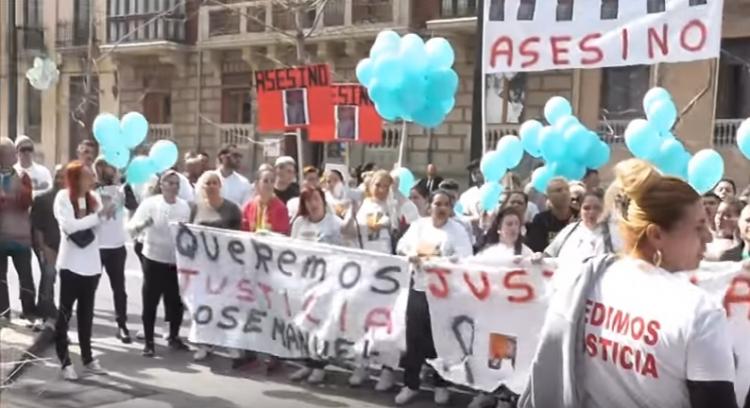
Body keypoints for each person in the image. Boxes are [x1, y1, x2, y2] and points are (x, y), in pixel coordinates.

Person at [519, 158, 736, 408]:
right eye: (698, 227)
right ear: (656, 235)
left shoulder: (589, 278)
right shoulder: (701, 314)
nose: (709, 236)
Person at [395, 189, 473, 406]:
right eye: (437, 204)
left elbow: (466, 258)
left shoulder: (457, 230)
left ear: (451, 208)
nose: (441, 209)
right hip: (419, 289)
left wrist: (442, 261)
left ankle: (441, 384)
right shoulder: (419, 225)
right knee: (414, 339)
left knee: (441, 339)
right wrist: (411, 253)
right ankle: (410, 384)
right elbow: (402, 245)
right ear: (430, 206)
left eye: (445, 205)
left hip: (444, 294)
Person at [127, 171, 192, 357]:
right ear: (161, 185)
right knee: (151, 300)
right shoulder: (150, 204)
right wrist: (145, 224)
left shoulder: (184, 207)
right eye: (170, 183)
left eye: (176, 184)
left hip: (175, 261)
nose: (173, 186)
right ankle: (149, 342)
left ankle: (174, 336)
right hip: (153, 259)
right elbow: (131, 229)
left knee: (175, 301)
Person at [53, 160, 107, 380]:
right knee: (64, 315)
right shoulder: (63, 197)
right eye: (87, 175)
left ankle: (88, 358)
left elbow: (99, 225)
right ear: (76, 178)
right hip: (70, 266)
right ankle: (65, 362)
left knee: (86, 316)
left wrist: (100, 217)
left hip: (91, 266)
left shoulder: (95, 199)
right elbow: (69, 226)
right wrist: (97, 218)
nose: (92, 179)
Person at [349, 170, 399, 390]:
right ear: (370, 186)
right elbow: (351, 233)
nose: (381, 190)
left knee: (388, 323)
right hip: (366, 271)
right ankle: (362, 364)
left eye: (386, 186)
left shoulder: (395, 207)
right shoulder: (362, 207)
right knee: (365, 321)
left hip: (390, 273)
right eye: (378, 185)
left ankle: (387, 370)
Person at [190, 171, 242, 362]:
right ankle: (204, 343)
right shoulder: (195, 208)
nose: (211, 186)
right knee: (204, 305)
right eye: (207, 183)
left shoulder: (232, 209)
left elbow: (239, 237)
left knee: (226, 305)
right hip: (203, 265)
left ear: (220, 186)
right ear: (202, 187)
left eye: (215, 183)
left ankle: (229, 344)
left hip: (226, 264)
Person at [93, 158, 132, 343]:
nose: (111, 170)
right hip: (96, 246)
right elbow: (101, 210)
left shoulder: (121, 190)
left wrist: (123, 184)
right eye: (105, 167)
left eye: (111, 167)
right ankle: (86, 324)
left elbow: (132, 204)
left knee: (119, 288)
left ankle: (122, 324)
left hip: (116, 246)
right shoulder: (92, 191)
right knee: (88, 287)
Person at [0, 137, 36, 322]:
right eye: (10, 153)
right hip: (0, 238)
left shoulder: (23, 177)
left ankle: (29, 311)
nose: (15, 156)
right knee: (0, 278)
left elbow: (27, 202)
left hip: (20, 237)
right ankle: (3, 313)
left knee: (26, 276)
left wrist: (16, 195)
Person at [31, 165, 64, 323]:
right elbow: (37, 226)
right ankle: (45, 309)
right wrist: (42, 247)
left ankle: (50, 306)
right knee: (48, 275)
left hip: (66, 245)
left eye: (64, 176)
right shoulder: (43, 199)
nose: (60, 180)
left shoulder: (75, 197)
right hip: (47, 244)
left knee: (55, 277)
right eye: (58, 176)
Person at [544, 190, 613, 265]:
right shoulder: (570, 230)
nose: (591, 212)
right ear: (580, 210)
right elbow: (548, 255)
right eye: (586, 208)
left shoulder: (613, 233)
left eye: (596, 208)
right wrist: (539, 257)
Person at [525, 177, 573, 252]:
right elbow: (537, 248)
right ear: (548, 196)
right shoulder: (541, 220)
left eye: (567, 189)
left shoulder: (580, 216)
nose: (564, 193)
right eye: (558, 190)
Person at [242, 167, 290, 235]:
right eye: (265, 181)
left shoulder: (281, 208)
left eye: (272, 181)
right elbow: (243, 232)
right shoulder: (248, 207)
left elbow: (283, 235)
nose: (269, 184)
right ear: (256, 184)